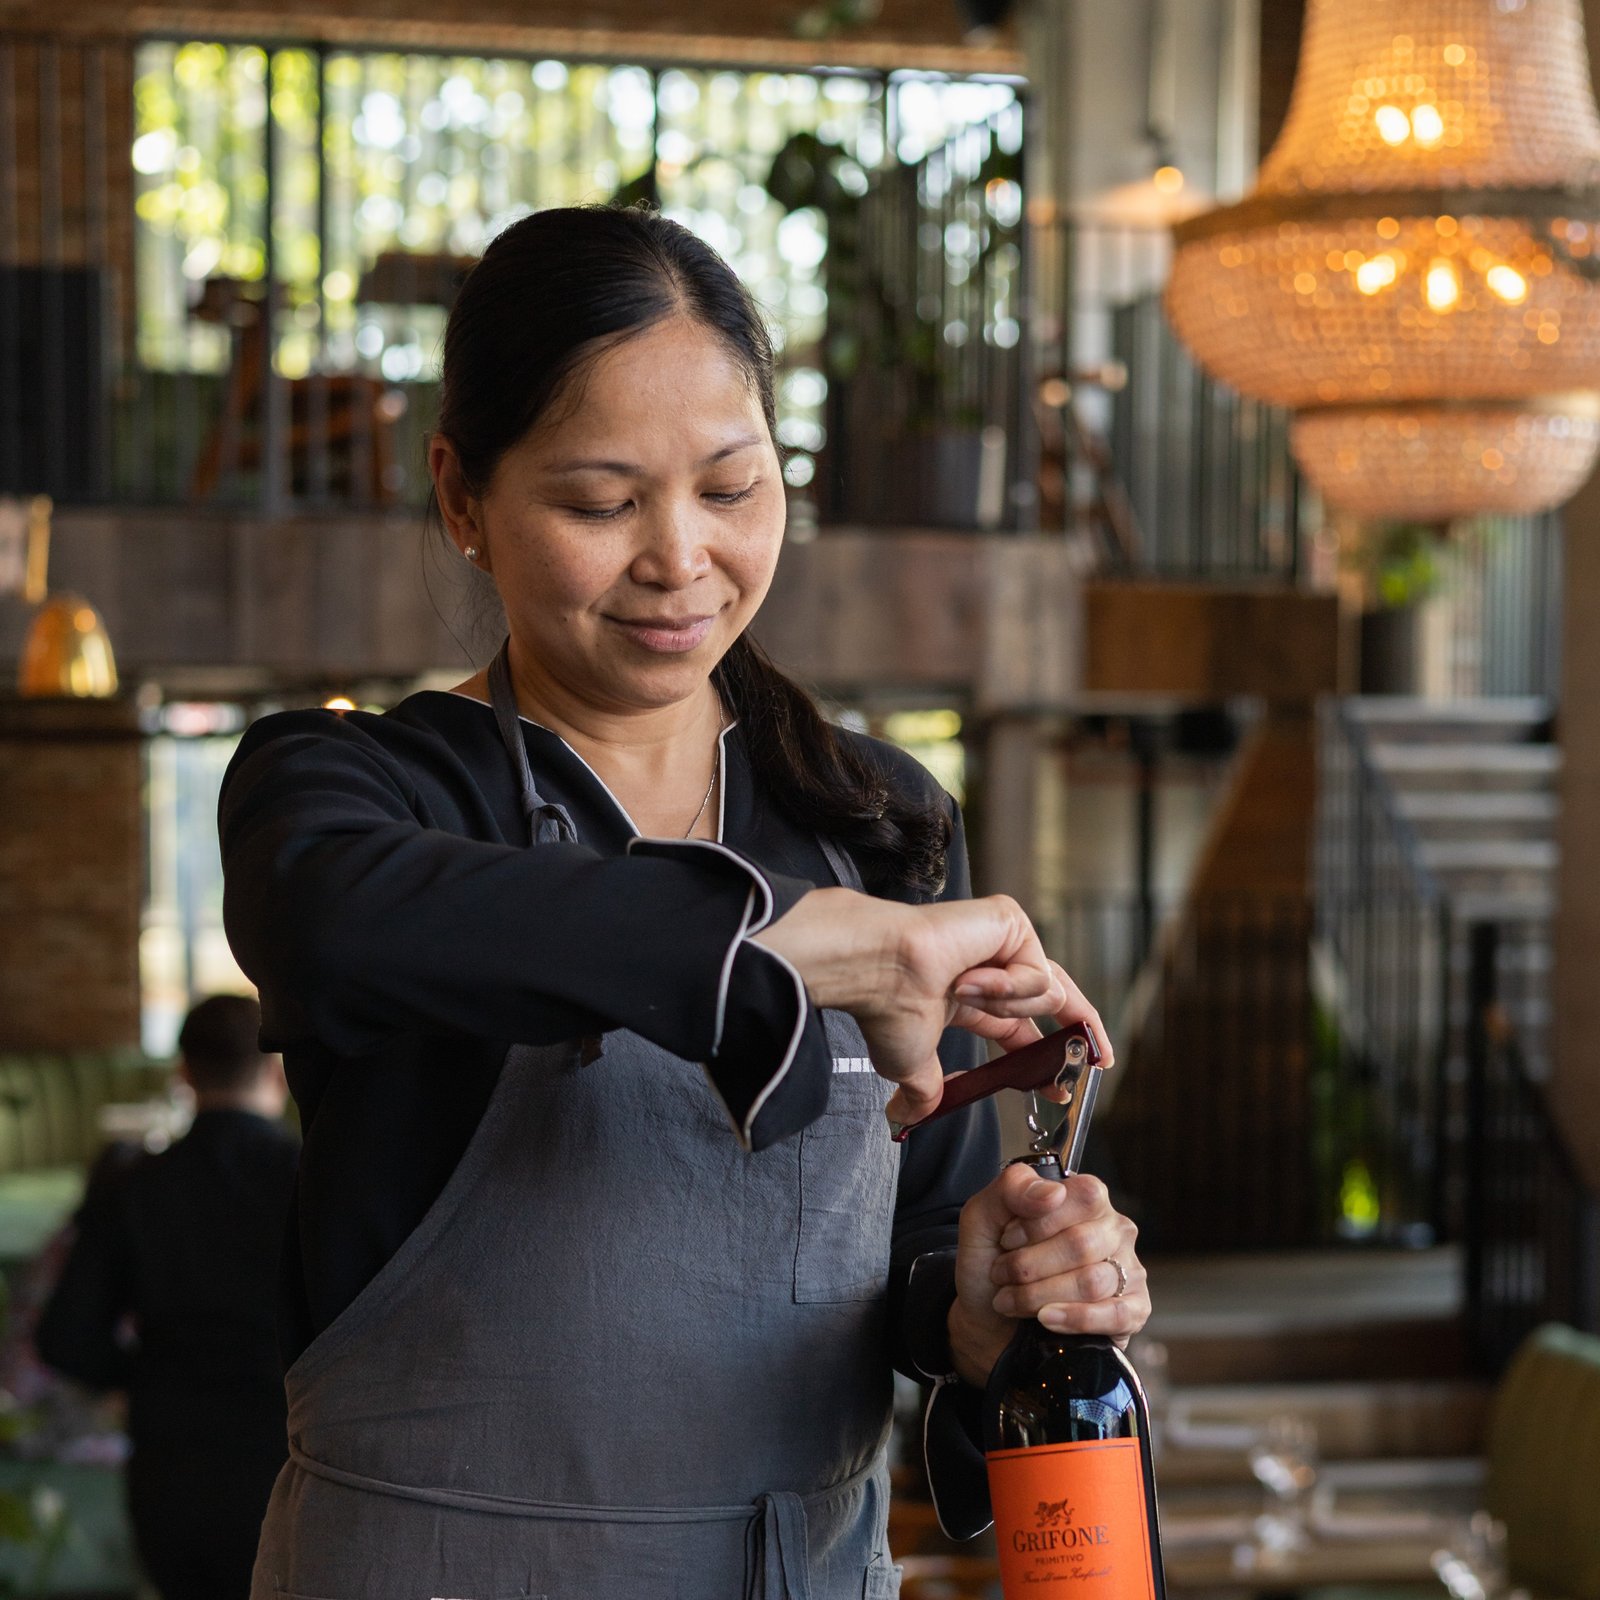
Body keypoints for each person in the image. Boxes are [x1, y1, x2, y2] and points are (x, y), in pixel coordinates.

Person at [218, 204, 1151, 1600]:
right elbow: (332, 925)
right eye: (601, 504)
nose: (679, 558)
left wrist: (986, 1311)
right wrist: (796, 948)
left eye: (731, 488)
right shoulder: (363, 793)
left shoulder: (874, 819)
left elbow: (915, 1238)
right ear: (463, 500)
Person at [36, 994, 300, 1600]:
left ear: (184, 1073)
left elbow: (64, 1337)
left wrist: (145, 1378)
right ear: (277, 1072)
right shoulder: (310, 1178)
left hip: (170, 1457)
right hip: (285, 1453)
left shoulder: (132, 1184)